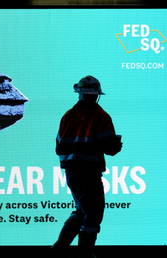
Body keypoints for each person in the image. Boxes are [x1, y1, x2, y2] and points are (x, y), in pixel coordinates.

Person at [52, 76, 122, 258]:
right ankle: (85, 252)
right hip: (89, 173)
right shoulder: (101, 117)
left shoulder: (68, 116)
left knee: (82, 211)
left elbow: (59, 148)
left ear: (79, 93)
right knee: (93, 214)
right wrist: (115, 145)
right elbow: (110, 149)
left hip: (72, 174)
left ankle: (59, 249)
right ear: (97, 95)